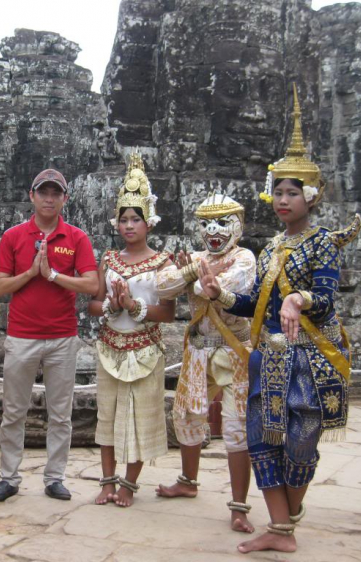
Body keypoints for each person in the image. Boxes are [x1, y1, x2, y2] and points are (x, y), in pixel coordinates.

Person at [197, 85, 361, 554]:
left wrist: (301, 300)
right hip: (268, 357)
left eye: (292, 192)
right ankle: (280, 528)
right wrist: (220, 293)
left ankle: (288, 517)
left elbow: (327, 299)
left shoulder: (322, 242)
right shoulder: (270, 247)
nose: (283, 199)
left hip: (311, 357)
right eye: (278, 192)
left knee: (302, 442)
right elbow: (255, 303)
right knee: (262, 440)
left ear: (311, 197)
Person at [0, 169, 99, 502]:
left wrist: (52, 276)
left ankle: (54, 477)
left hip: (62, 337)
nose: (49, 198)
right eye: (43, 192)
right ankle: (9, 477)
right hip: (22, 335)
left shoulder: (76, 238)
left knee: (61, 413)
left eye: (56, 193)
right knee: (13, 410)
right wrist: (31, 272)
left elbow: (91, 285)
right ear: (32, 196)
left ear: (65, 199)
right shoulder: (14, 237)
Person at [156, 192, 256, 533]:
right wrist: (193, 272)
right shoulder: (197, 256)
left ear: (238, 225)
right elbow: (162, 286)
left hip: (235, 351)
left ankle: (239, 506)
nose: (213, 230)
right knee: (185, 415)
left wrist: (194, 276)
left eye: (222, 223)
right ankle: (188, 480)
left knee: (235, 427)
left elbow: (224, 287)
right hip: (198, 349)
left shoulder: (245, 257)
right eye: (206, 224)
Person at [88, 154, 174, 508]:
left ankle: (129, 484)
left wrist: (135, 307)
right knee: (106, 414)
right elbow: (93, 304)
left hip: (145, 349)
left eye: (135, 219)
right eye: (123, 219)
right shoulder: (108, 259)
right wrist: (111, 305)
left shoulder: (162, 262)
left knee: (139, 417)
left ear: (148, 223)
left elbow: (167, 313)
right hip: (111, 346)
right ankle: (106, 481)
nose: (128, 225)